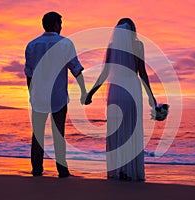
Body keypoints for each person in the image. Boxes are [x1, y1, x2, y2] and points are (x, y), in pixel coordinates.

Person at [85, 18, 157, 181]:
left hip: (116, 91)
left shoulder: (112, 47)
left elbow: (105, 72)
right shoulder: (138, 45)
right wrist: (151, 96)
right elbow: (142, 72)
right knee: (130, 131)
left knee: (116, 131)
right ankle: (130, 170)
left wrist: (91, 92)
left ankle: (118, 170)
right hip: (131, 90)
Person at [24, 11, 87, 177]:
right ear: (55, 25)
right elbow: (76, 68)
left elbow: (29, 73)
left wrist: (31, 93)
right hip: (58, 95)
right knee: (59, 132)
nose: (61, 26)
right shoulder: (64, 43)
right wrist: (84, 90)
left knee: (37, 133)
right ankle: (62, 169)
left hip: (39, 96)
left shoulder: (32, 45)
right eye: (60, 23)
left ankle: (37, 168)